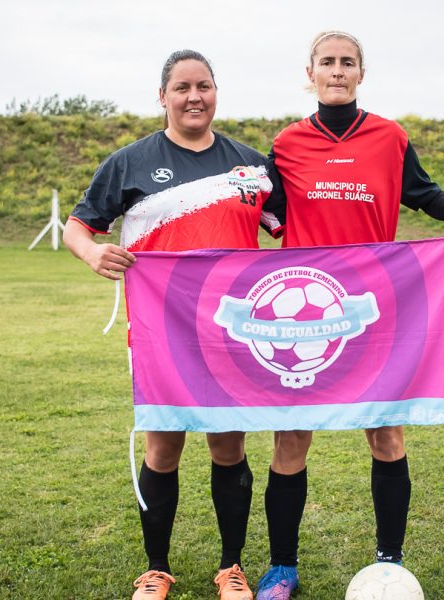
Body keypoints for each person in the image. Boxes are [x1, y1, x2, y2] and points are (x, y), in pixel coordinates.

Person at [256, 31, 444, 599]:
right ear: (310, 73)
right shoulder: (287, 143)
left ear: (361, 73)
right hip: (305, 316)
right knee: (291, 439)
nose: (337, 71)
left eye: (347, 62)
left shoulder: (390, 137)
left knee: (386, 433)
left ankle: (389, 563)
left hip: (372, 309)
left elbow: (423, 192)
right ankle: (282, 567)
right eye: (327, 62)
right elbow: (262, 209)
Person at [63, 49, 279, 600]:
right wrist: (92, 252)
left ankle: (231, 568)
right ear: (162, 96)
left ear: (216, 92)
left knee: (228, 448)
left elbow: (296, 230)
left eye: (203, 86)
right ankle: (156, 569)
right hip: (160, 331)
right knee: (163, 448)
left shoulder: (251, 167)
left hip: (231, 330)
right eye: (182, 88)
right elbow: (78, 227)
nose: (194, 97)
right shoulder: (129, 163)